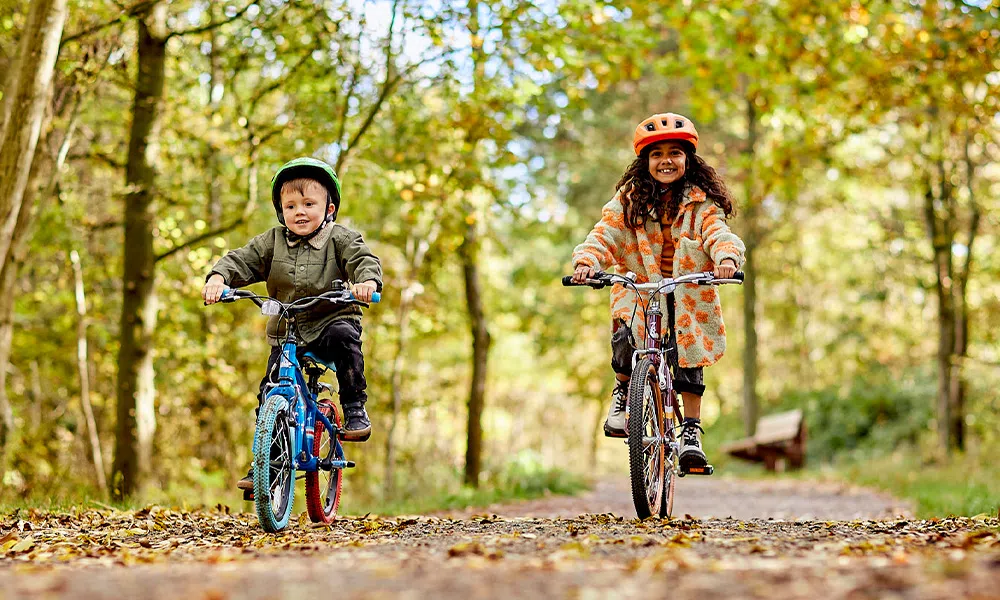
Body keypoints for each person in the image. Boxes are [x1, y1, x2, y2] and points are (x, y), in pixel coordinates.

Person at [570, 113, 745, 469]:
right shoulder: (629, 200)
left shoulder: (701, 202)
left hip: (687, 292)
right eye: (656, 154)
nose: (666, 160)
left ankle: (691, 432)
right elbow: (606, 233)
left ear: (688, 159)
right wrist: (587, 261)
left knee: (688, 353)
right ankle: (623, 393)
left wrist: (726, 256)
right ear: (645, 161)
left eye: (674, 153)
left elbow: (718, 233)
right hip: (640, 287)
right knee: (625, 336)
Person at [203, 157, 383, 490]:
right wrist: (218, 277)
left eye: (309, 203)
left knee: (346, 339)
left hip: (331, 319)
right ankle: (268, 463)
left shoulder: (340, 239)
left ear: (328, 208)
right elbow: (241, 259)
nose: (299, 211)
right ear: (280, 211)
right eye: (290, 205)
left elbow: (362, 260)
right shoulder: (272, 242)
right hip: (289, 331)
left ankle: (355, 407)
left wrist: (366, 282)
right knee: (269, 390)